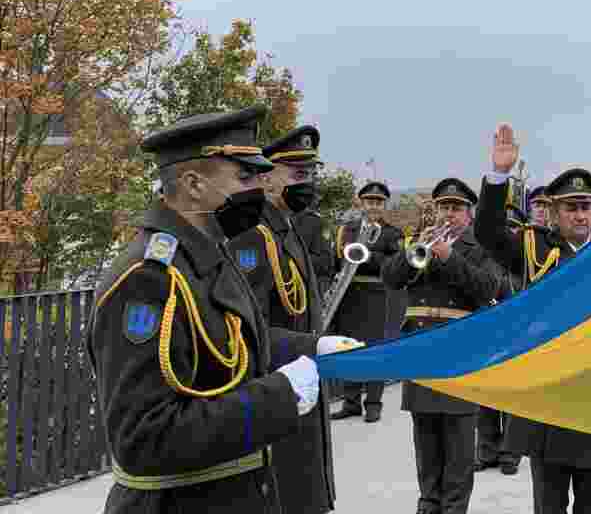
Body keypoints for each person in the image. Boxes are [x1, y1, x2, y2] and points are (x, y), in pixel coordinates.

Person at [85, 107, 360, 514]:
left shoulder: (208, 251)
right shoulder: (150, 278)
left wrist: (313, 348)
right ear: (193, 184)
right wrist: (279, 396)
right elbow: (145, 437)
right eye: (244, 177)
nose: (257, 188)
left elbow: (235, 340)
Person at [475, 124, 591, 514]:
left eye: (585, 206)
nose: (580, 214)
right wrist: (499, 176)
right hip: (547, 396)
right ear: (554, 211)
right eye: (571, 207)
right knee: (548, 506)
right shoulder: (533, 243)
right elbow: (486, 232)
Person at [227, 125, 338, 513]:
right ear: (268, 175)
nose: (307, 183)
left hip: (301, 387)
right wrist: (311, 346)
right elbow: (246, 329)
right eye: (298, 174)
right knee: (289, 495)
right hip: (278, 392)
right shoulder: (254, 237)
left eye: (310, 173)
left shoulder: (287, 229)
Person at [382, 177, 498, 514]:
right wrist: (414, 249)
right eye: (444, 207)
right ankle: (428, 503)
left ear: (469, 213)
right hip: (420, 349)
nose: (449, 214)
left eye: (456, 208)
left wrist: (449, 257)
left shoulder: (480, 248)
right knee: (426, 439)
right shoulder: (420, 241)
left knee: (459, 445)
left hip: (459, 352)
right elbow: (391, 278)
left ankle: (453, 508)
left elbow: (487, 288)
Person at [330, 180, 403, 422]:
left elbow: (393, 266)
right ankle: (351, 402)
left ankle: (373, 402)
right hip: (348, 294)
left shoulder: (394, 233)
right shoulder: (346, 230)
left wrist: (368, 255)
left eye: (379, 202)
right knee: (348, 348)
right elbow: (335, 260)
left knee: (374, 350)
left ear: (384, 205)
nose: (374, 206)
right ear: (361, 203)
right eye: (370, 201)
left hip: (375, 294)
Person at [474, 204, 526, 477]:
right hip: (488, 331)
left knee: (513, 394)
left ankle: (511, 452)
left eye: (513, 227)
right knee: (486, 394)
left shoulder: (527, 262)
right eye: (504, 227)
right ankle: (486, 450)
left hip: (518, 333)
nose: (508, 233)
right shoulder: (483, 258)